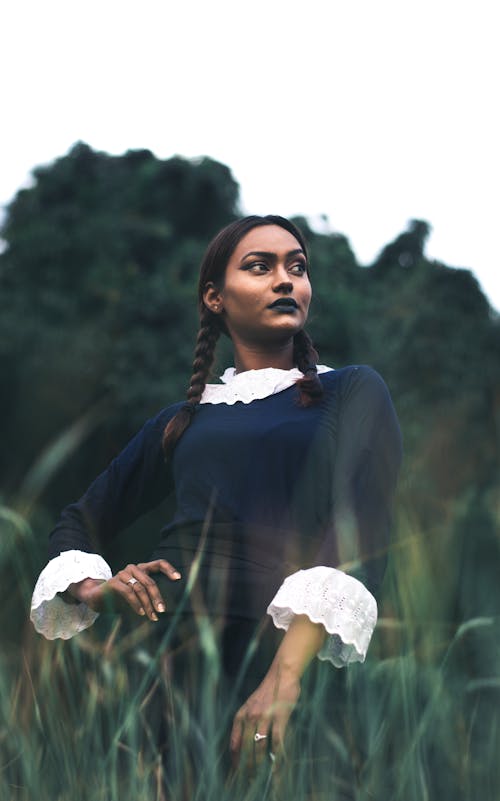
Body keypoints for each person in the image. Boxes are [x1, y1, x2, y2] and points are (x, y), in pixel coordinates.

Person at [30, 215, 402, 797]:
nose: (286, 280)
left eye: (297, 268)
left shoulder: (352, 389)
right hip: (171, 670)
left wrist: (282, 680)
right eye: (261, 267)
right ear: (214, 297)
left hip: (285, 665)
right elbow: (79, 519)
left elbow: (360, 533)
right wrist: (100, 590)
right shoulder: (183, 420)